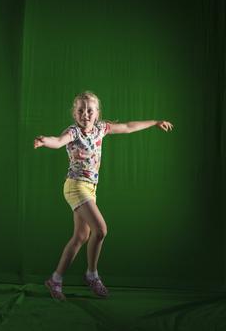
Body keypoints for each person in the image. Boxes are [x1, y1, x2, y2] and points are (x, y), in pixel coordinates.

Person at [34, 91, 173, 300]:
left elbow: (127, 127)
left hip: (91, 188)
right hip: (75, 186)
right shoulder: (73, 132)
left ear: (97, 113)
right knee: (100, 230)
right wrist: (46, 141)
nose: (86, 114)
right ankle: (92, 275)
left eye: (90, 110)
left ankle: (55, 279)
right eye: (81, 110)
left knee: (81, 236)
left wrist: (155, 122)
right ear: (75, 114)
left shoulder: (101, 129)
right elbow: (58, 140)